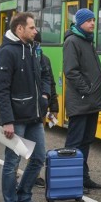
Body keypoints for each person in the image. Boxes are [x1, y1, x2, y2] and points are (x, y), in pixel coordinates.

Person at [0, 12, 51, 202]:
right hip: (16, 119)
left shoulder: (32, 49)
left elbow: (44, 75)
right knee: (12, 163)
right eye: (32, 27)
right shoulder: (7, 52)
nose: (36, 31)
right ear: (20, 29)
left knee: (38, 158)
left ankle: (23, 199)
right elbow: (1, 89)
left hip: (34, 116)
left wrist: (45, 97)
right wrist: (7, 120)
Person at [63, 8, 101, 192]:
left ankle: (83, 177)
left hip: (90, 102)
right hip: (81, 101)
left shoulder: (87, 41)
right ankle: (70, 180)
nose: (92, 24)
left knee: (87, 141)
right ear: (79, 22)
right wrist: (87, 90)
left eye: (93, 20)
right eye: (89, 21)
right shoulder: (72, 41)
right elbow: (71, 71)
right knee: (75, 143)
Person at [33, 32, 59, 188]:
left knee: (38, 144)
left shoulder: (45, 60)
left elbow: (51, 83)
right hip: (24, 109)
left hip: (40, 109)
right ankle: (15, 176)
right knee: (20, 145)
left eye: (38, 43)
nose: (37, 46)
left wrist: (53, 106)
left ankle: (35, 175)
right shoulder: (22, 58)